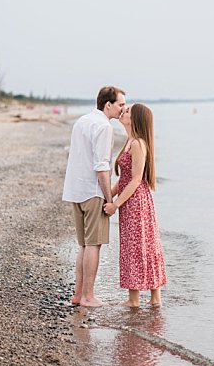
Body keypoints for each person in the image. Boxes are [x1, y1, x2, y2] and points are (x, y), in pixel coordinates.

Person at [63, 86, 126, 308]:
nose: (123, 109)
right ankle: (88, 296)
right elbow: (102, 167)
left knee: (83, 245)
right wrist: (110, 199)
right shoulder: (104, 126)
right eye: (120, 104)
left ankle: (78, 294)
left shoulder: (82, 121)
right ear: (107, 105)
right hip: (92, 191)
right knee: (94, 245)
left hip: (75, 190)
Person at [104, 103, 167, 307]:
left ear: (136, 119)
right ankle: (151, 299)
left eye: (128, 110)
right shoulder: (130, 142)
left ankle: (137, 300)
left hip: (136, 202)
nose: (123, 111)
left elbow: (136, 180)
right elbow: (123, 180)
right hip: (131, 200)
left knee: (139, 246)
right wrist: (107, 195)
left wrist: (115, 204)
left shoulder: (138, 144)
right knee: (139, 245)